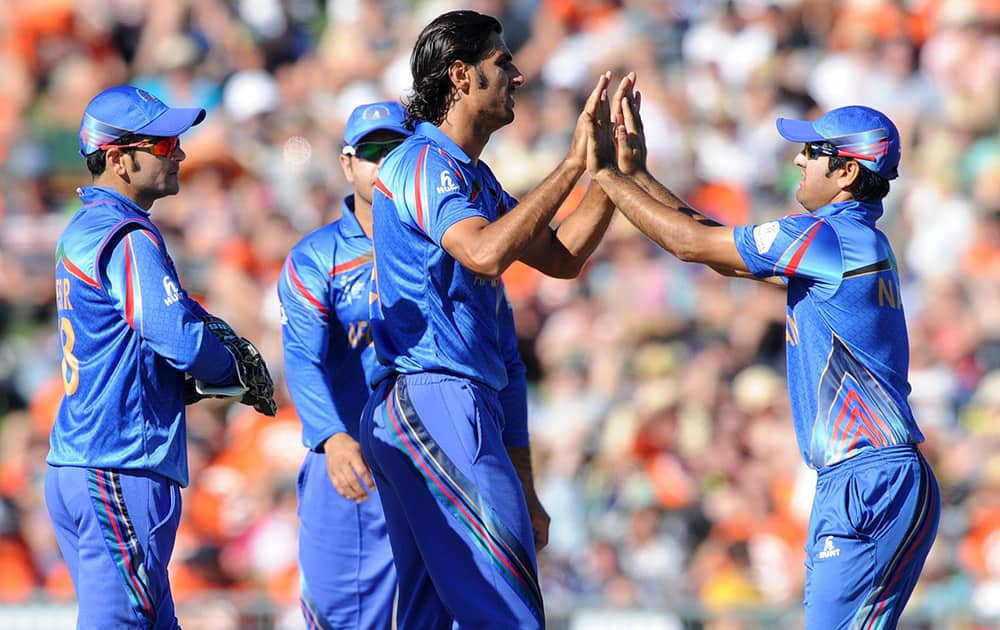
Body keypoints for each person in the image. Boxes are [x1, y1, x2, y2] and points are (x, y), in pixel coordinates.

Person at [585, 76, 941, 628]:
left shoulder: (830, 239)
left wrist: (605, 175)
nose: (799, 160)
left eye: (813, 151)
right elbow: (718, 249)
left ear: (846, 171)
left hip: (867, 479)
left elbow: (689, 243)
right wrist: (637, 176)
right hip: (866, 476)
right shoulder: (845, 241)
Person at [360, 10, 619, 629]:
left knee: (429, 618)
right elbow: (483, 251)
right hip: (437, 396)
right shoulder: (422, 161)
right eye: (502, 62)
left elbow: (561, 257)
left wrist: (607, 174)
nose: (518, 74)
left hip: (435, 402)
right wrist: (571, 165)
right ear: (460, 75)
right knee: (510, 617)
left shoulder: (468, 173)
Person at [46, 85, 275, 629]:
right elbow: (178, 337)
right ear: (119, 158)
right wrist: (231, 371)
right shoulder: (125, 234)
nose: (181, 153)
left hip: (87, 461)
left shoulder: (85, 228)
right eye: (165, 144)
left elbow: (132, 345)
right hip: (119, 467)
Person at [277, 100, 411, 629]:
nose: (385, 163)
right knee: (343, 619)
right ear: (347, 165)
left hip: (433, 458)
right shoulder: (316, 257)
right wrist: (332, 437)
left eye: (398, 150)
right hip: (353, 462)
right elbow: (302, 359)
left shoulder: (450, 243)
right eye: (372, 151)